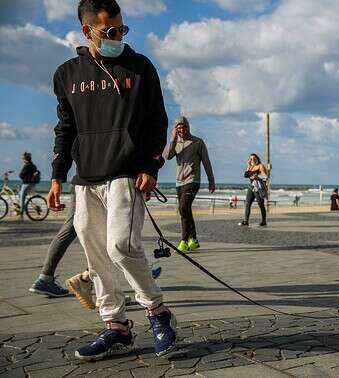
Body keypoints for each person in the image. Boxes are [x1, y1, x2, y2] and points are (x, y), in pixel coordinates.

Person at [47, 0, 175, 360]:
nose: (119, 36)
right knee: (96, 254)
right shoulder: (66, 74)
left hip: (126, 174)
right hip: (85, 178)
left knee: (121, 246)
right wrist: (57, 177)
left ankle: (157, 312)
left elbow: (157, 121)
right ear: (88, 31)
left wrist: (151, 166)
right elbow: (65, 128)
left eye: (122, 29)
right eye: (110, 31)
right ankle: (116, 327)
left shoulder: (140, 67)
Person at [29, 184, 162, 301]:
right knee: (115, 230)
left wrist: (56, 179)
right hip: (106, 180)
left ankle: (62, 278)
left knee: (77, 230)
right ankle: (92, 283)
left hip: (84, 178)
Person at [164, 116, 215, 253]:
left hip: (193, 180)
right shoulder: (175, 143)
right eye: (178, 127)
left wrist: (211, 181)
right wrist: (173, 138)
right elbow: (167, 156)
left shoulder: (198, 142)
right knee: (185, 210)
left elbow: (206, 162)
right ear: (175, 128)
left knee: (183, 207)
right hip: (179, 182)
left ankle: (184, 241)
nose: (182, 129)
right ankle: (194, 239)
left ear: (188, 127)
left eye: (184, 126)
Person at [238, 153, 268, 226]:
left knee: (261, 205)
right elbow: (245, 175)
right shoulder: (251, 167)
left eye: (254, 158)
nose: (252, 160)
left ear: (257, 158)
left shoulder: (260, 166)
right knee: (247, 204)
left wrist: (256, 177)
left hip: (258, 188)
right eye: (251, 158)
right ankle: (246, 221)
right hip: (251, 187)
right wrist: (248, 165)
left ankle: (264, 221)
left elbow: (265, 177)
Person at [18, 152, 39, 219]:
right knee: (20, 191)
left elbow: (21, 175)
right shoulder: (33, 165)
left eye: (23, 159)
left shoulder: (26, 166)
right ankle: (20, 209)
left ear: (25, 159)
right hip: (32, 184)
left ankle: (21, 214)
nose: (22, 160)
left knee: (22, 199)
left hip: (26, 184)